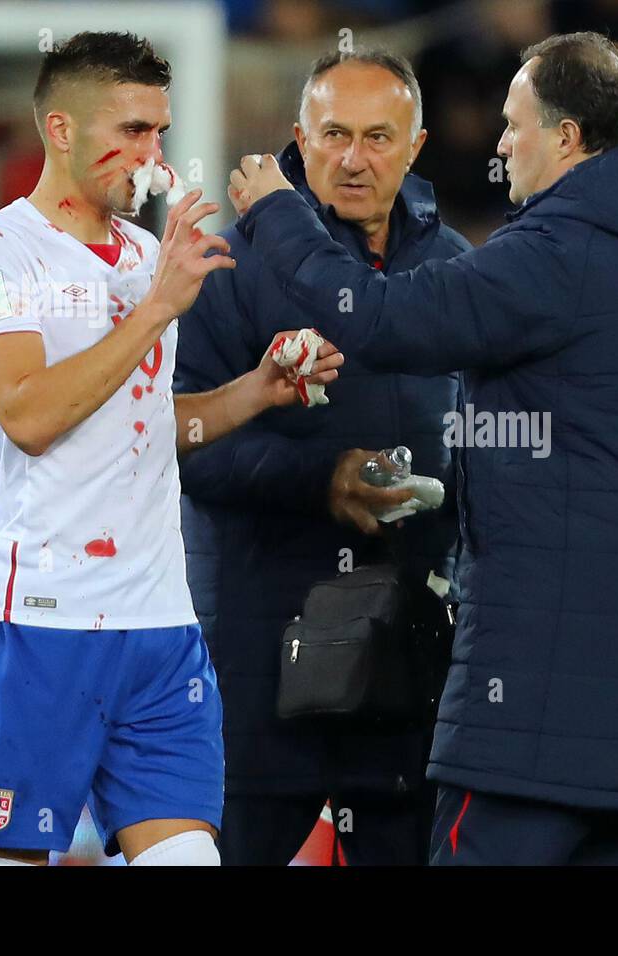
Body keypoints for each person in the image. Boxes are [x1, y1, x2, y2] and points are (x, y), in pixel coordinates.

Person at [228, 31, 618, 866]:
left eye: (515, 124)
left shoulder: (551, 255)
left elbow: (377, 319)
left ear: (568, 137)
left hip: (536, 717)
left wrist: (277, 212)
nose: (501, 145)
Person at [0, 31, 341, 866]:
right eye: (129, 129)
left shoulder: (148, 257)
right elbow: (30, 415)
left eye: (158, 130)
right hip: (40, 621)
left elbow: (151, 427)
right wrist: (156, 310)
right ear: (60, 129)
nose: (151, 154)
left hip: (159, 624)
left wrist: (256, 390)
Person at [174, 48, 469, 866]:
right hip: (261, 657)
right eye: (333, 133)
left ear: (417, 144)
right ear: (299, 139)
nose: (352, 157)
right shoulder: (229, 267)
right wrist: (322, 480)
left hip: (407, 661)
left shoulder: (457, 272)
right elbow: (185, 449)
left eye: (379, 136)